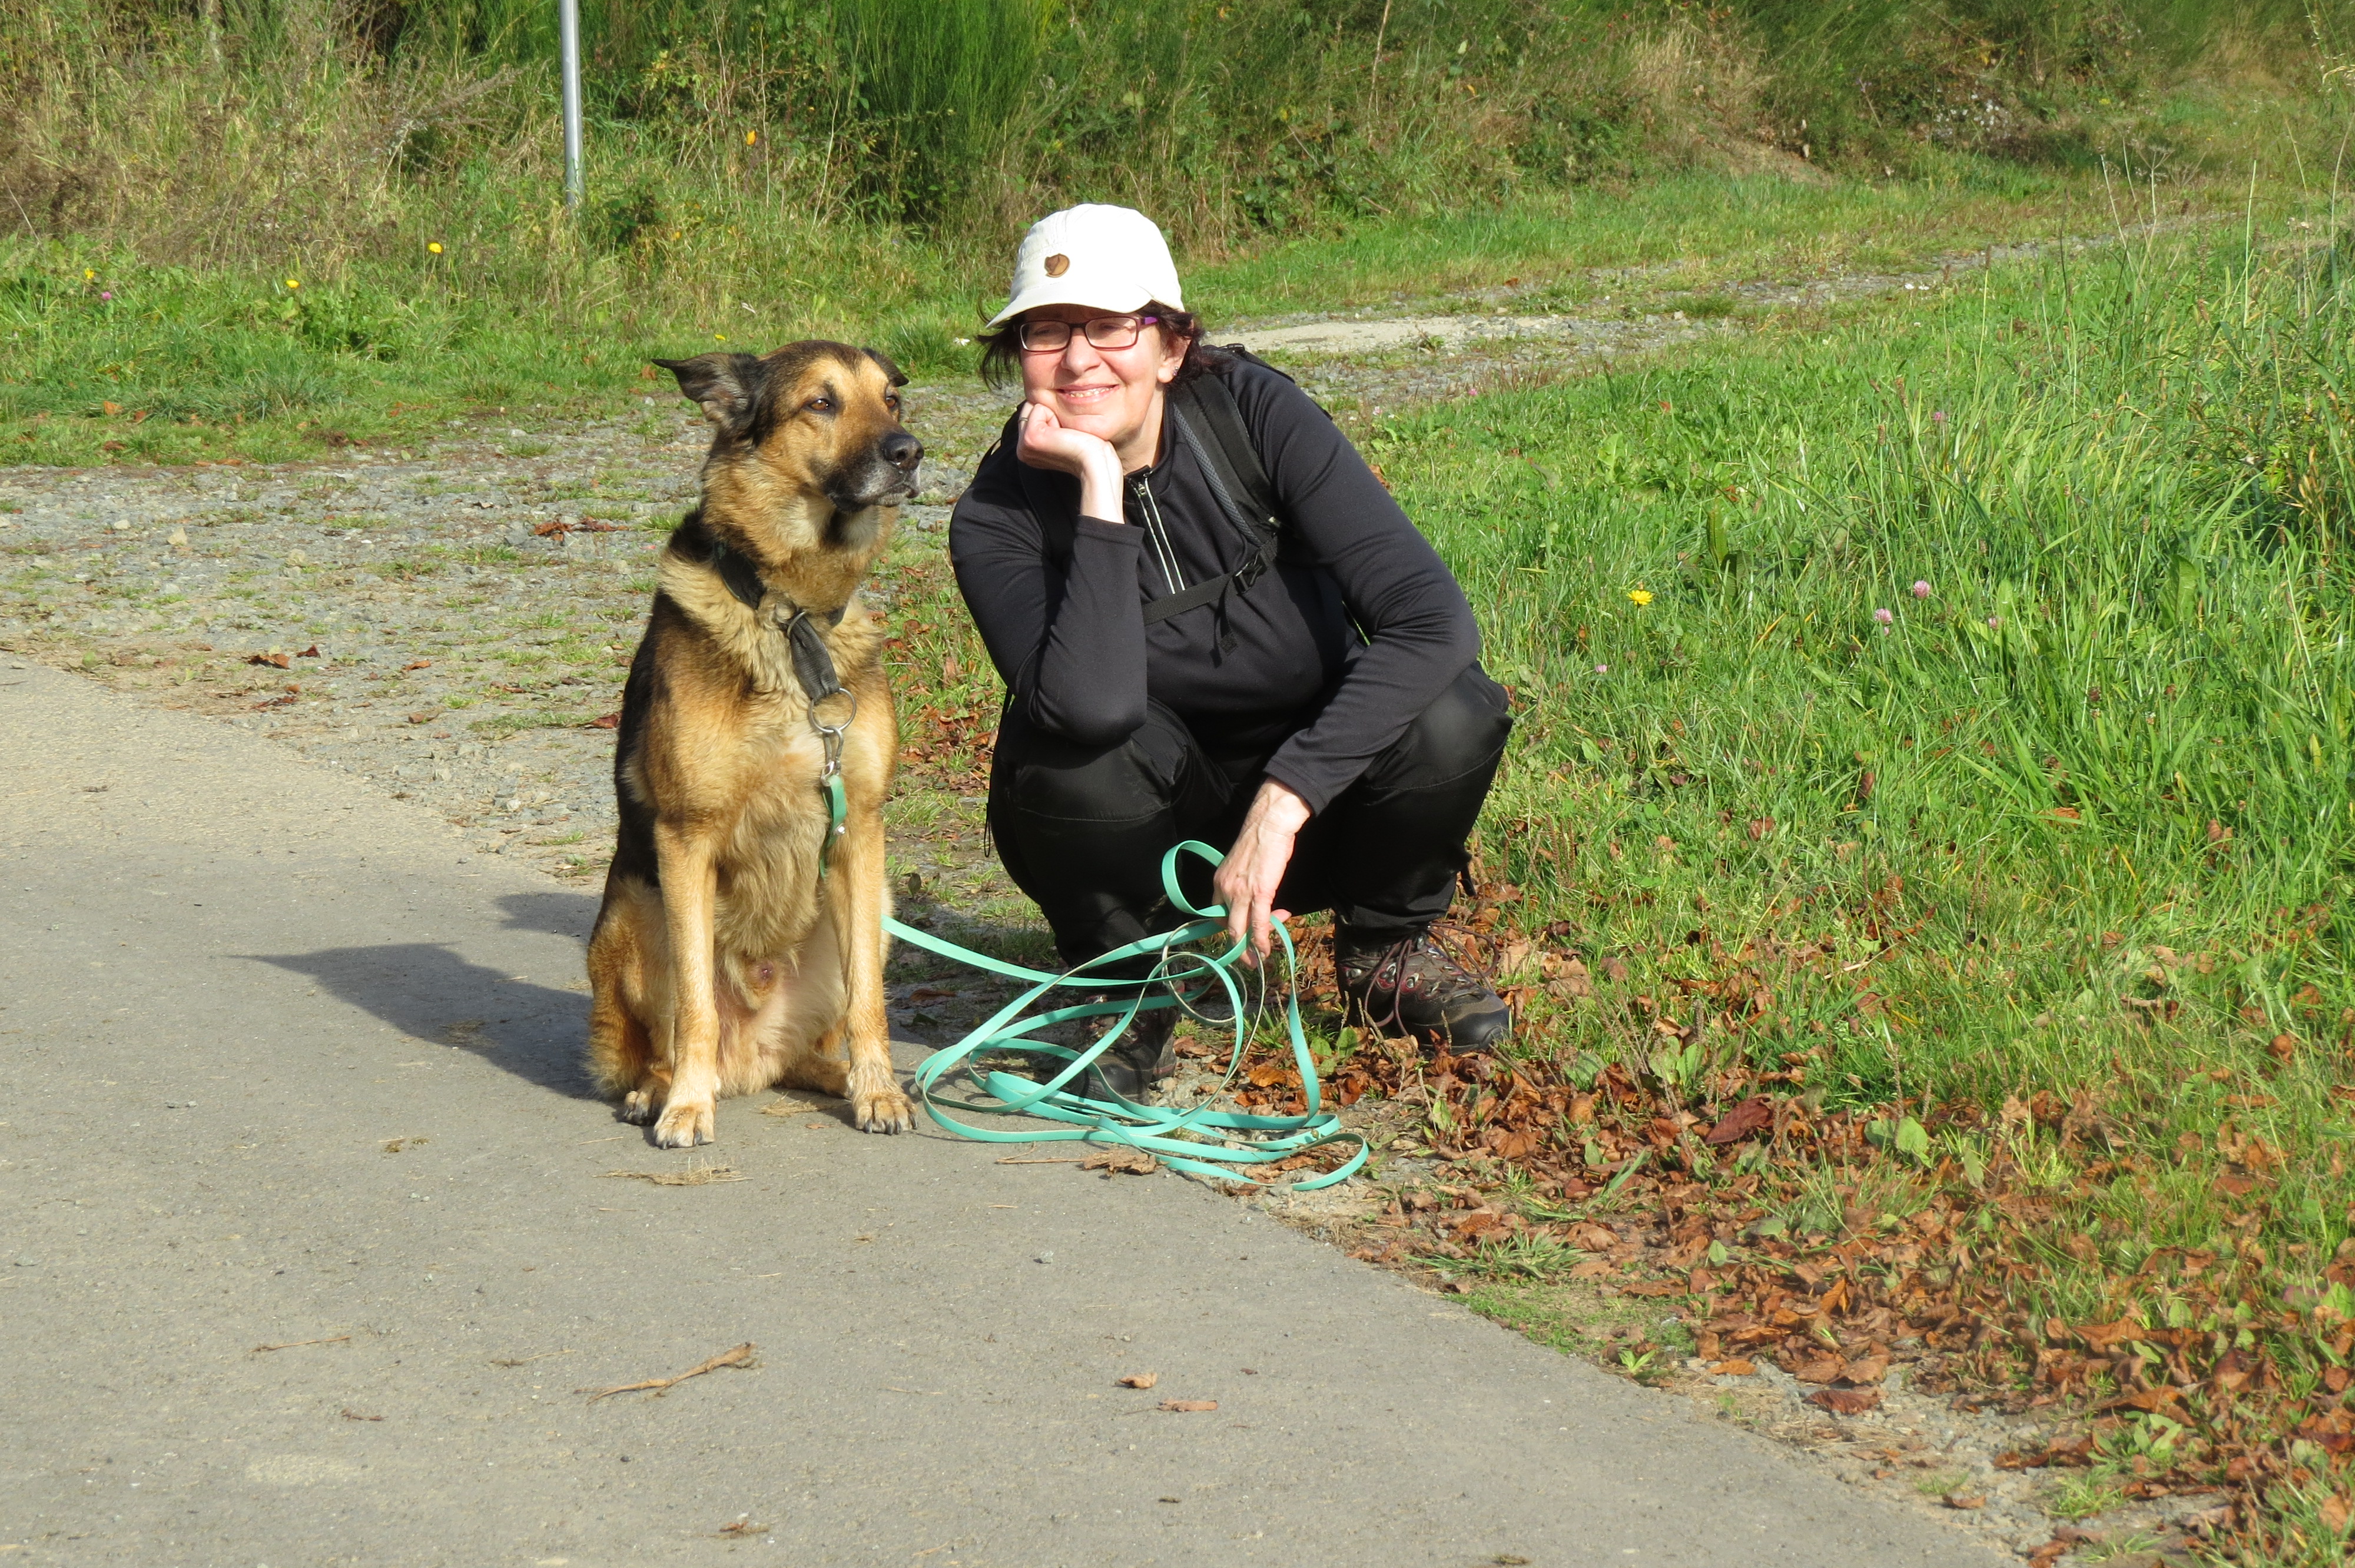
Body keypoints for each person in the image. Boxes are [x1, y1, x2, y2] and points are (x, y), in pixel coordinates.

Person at [948, 204, 1514, 1101]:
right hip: (1145, 835)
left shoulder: (1253, 414)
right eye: (1046, 331)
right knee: (1066, 754)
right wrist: (1099, 483)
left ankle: (1385, 949)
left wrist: (1285, 802)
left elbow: (1432, 619)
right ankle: (1124, 985)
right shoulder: (995, 516)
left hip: (1316, 809)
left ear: (1172, 347)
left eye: (1111, 326)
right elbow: (1091, 710)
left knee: (1453, 710)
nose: (1079, 359)